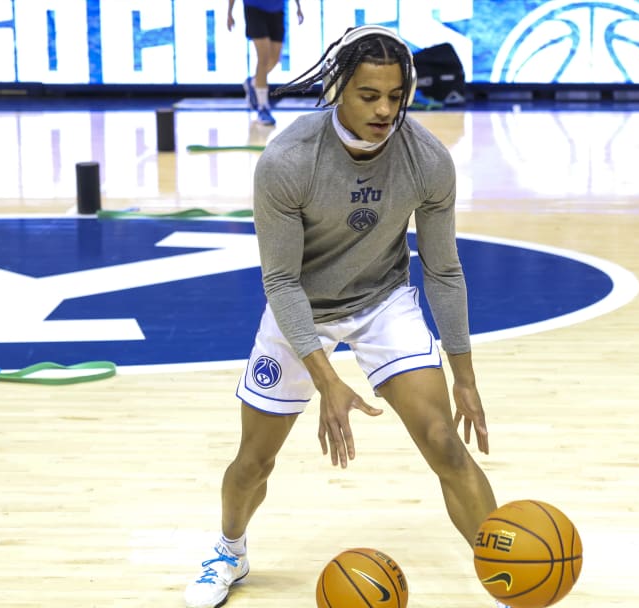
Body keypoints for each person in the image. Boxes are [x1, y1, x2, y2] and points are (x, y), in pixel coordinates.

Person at [184, 25, 504, 608]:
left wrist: (466, 377)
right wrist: (328, 381)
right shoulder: (288, 159)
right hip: (300, 308)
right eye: (369, 96)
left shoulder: (428, 158)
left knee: (443, 441)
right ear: (338, 89)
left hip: (382, 300)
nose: (386, 110)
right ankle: (229, 550)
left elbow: (444, 270)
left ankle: (508, 569)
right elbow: (280, 281)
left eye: (396, 95)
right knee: (254, 461)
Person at [227, 0, 304, 126]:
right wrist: (229, 12)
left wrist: (298, 6)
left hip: (277, 9)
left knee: (275, 59)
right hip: (254, 8)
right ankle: (263, 107)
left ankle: (254, 82)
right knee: (263, 57)